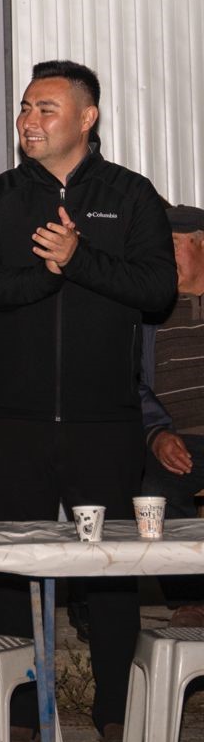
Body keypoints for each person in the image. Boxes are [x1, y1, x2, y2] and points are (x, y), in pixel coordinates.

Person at [0, 59, 176, 742]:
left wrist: (81, 257)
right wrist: (45, 273)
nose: (29, 119)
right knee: (13, 573)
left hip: (104, 421)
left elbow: (157, 291)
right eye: (25, 107)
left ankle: (116, 718)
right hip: (12, 422)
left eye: (46, 108)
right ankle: (20, 718)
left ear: (87, 117)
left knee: (113, 579)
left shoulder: (131, 195)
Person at [136, 205, 204, 623]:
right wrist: (156, 434)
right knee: (156, 490)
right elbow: (128, 380)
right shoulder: (148, 312)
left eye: (174, 246)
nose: (164, 257)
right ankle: (191, 602)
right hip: (177, 438)